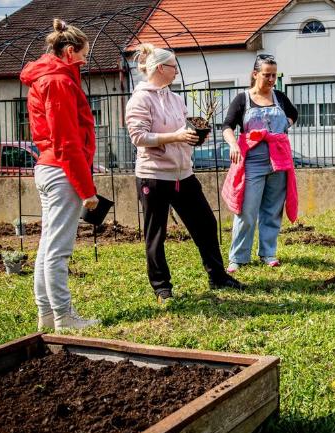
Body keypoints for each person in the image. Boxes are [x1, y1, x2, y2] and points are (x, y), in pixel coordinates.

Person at [125, 43, 243, 302]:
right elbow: (138, 137)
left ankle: (218, 276)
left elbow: (184, 129)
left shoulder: (176, 98)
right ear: (159, 68)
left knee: (206, 224)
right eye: (173, 67)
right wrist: (175, 136)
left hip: (183, 174)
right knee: (156, 232)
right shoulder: (140, 99)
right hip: (154, 175)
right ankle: (162, 287)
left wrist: (194, 137)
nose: (176, 71)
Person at [20, 19, 100, 332]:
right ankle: (64, 316)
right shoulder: (58, 83)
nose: (84, 61)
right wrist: (86, 189)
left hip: (49, 166)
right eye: (83, 55)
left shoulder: (48, 76)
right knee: (58, 249)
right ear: (69, 51)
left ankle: (47, 314)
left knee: (47, 246)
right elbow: (67, 140)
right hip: (61, 170)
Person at [221, 54, 299, 273]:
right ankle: (238, 257)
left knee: (273, 210)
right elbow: (227, 125)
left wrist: (284, 126)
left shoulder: (280, 97)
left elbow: (293, 114)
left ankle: (268, 253)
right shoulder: (242, 99)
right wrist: (233, 145)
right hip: (252, 162)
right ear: (255, 74)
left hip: (279, 160)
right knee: (246, 211)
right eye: (267, 75)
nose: (271, 79)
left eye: (274, 75)